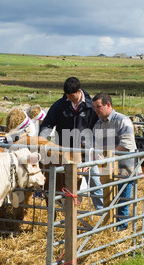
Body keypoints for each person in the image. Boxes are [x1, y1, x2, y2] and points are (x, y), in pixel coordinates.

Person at [39, 77, 103, 211]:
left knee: (95, 183)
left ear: (79, 91)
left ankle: (100, 214)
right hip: (66, 154)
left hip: (87, 154)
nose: (69, 99)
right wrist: (41, 141)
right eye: (67, 96)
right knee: (66, 184)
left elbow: (99, 131)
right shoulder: (60, 105)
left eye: (72, 96)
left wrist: (93, 157)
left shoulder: (91, 107)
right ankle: (67, 212)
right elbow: (47, 124)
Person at [92, 92, 137, 231]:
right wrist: (97, 156)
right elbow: (96, 145)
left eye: (98, 106)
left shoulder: (122, 120)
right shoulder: (98, 125)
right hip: (107, 168)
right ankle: (108, 226)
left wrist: (109, 157)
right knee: (108, 197)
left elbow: (127, 143)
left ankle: (121, 228)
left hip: (125, 167)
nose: (96, 110)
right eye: (94, 107)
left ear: (108, 105)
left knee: (123, 198)